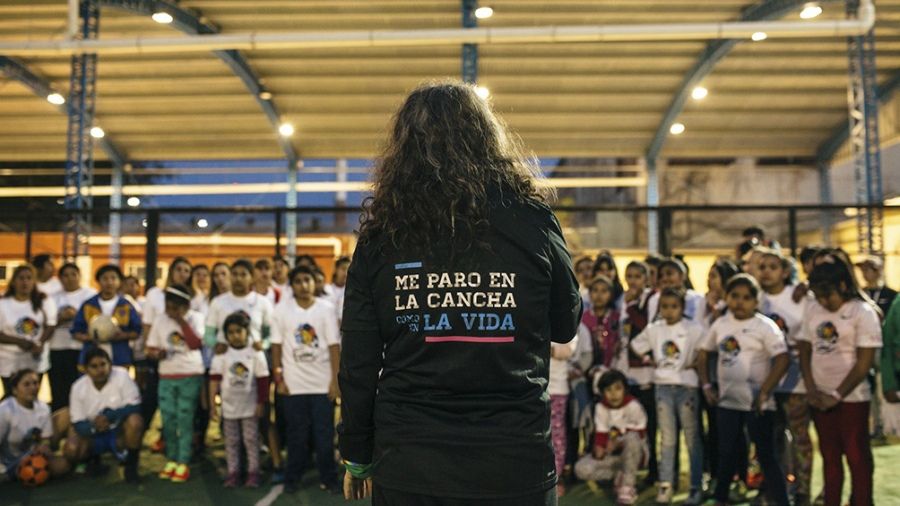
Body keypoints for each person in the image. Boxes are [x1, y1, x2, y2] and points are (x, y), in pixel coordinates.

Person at [337, 81, 582, 505]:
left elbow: (358, 362)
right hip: (514, 461)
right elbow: (565, 324)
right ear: (487, 139)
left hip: (410, 461)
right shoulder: (533, 221)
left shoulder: (381, 236)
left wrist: (357, 455)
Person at [698, 274, 790, 506]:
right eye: (735, 296)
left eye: (746, 298)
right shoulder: (720, 324)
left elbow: (782, 359)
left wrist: (766, 391)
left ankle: (780, 499)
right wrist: (707, 385)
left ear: (756, 301)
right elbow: (703, 353)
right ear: (727, 297)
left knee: (766, 454)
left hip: (758, 404)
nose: (740, 302)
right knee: (726, 452)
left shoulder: (765, 326)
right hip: (728, 402)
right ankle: (721, 497)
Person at [797, 257, 882, 506]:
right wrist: (812, 388)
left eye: (828, 295)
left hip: (852, 398)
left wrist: (836, 394)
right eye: (819, 295)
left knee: (857, 457)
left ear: (844, 286)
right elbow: (805, 349)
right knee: (830, 457)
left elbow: (863, 364)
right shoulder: (812, 308)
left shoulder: (862, 312)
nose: (823, 302)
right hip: (819, 397)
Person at [204, 259, 280, 480]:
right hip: (227, 364)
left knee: (260, 416)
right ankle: (235, 468)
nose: (238, 278)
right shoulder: (219, 302)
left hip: (254, 366)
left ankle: (262, 464)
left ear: (251, 277)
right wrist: (214, 344)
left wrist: (263, 345)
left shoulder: (263, 302)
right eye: (234, 274)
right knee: (231, 425)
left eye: (242, 274)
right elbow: (208, 334)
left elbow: (269, 334)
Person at [271, 265, 341, 494]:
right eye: (298, 281)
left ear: (315, 282)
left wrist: (335, 381)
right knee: (296, 437)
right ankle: (293, 478)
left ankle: (329, 478)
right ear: (291, 286)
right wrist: (279, 378)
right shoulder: (281, 310)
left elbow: (333, 347)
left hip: (322, 386)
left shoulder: (326, 309)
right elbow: (276, 347)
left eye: (307, 280)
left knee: (325, 436)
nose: (304, 285)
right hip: (294, 386)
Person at [630, 287, 704, 505]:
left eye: (674, 306)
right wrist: (650, 361)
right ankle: (666, 484)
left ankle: (695, 486)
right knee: (667, 439)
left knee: (692, 438)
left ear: (682, 307)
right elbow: (636, 347)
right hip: (662, 387)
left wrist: (696, 362)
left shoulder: (693, 328)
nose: (669, 311)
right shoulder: (654, 329)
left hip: (687, 387)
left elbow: (706, 350)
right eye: (665, 306)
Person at [758, 249, 812, 505]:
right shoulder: (754, 298)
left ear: (784, 271)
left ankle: (802, 490)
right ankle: (773, 488)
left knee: (800, 438)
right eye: (762, 266)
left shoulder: (798, 296)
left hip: (795, 380)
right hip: (764, 381)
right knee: (770, 440)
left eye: (772, 266)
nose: (766, 271)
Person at [145, 285, 205, 483]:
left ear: (185, 305)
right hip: (167, 375)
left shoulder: (196, 317)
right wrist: (156, 354)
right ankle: (171, 458)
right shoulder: (160, 319)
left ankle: (183, 461)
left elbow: (196, 344)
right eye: (168, 306)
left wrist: (181, 321)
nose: (169, 311)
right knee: (168, 419)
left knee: (185, 418)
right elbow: (150, 348)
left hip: (190, 374)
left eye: (174, 307)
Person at [64, 347, 143, 483]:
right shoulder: (78, 387)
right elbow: (77, 423)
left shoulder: (122, 376)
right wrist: (94, 426)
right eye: (94, 366)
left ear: (110, 365)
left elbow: (136, 405)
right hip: (92, 435)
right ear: (85, 369)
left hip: (118, 432)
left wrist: (110, 416)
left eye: (103, 364)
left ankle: (131, 464)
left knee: (135, 421)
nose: (100, 370)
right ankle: (90, 460)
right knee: (72, 449)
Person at [209, 312, 270, 488]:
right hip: (229, 409)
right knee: (231, 441)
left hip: (250, 407)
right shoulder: (221, 355)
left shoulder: (255, 354)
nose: (235, 335)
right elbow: (213, 382)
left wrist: (261, 403)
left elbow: (263, 380)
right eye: (231, 332)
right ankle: (233, 472)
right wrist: (213, 405)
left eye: (239, 331)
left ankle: (253, 472)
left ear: (247, 331)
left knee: (251, 440)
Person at [573, 369, 646, 505]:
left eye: (618, 388)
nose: (613, 394)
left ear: (625, 389)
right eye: (608, 390)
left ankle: (627, 486)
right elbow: (601, 434)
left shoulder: (633, 405)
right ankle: (619, 475)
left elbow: (639, 434)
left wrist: (617, 443)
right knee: (581, 469)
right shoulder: (601, 407)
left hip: (633, 455)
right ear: (602, 392)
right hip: (612, 456)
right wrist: (598, 450)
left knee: (632, 438)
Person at [0, 369, 69, 481]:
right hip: (5, 463)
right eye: (26, 384)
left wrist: (44, 446)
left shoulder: (44, 408)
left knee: (62, 466)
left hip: (30, 458)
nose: (33, 388)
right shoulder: (4, 411)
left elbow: (45, 439)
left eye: (35, 383)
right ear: (15, 390)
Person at [0, 265, 57, 395]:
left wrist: (39, 343)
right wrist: (19, 342)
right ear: (13, 282)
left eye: (29, 278)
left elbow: (50, 325)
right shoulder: (3, 304)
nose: (25, 282)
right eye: (21, 278)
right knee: (11, 396)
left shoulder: (44, 301)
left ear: (34, 281)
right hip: (9, 360)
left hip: (34, 359)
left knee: (32, 396)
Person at [71, 265, 142, 368]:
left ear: (120, 282)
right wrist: (89, 337)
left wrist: (122, 335)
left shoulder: (126, 305)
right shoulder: (88, 305)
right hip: (92, 356)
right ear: (98, 281)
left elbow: (137, 331)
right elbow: (75, 331)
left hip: (119, 356)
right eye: (105, 278)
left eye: (113, 278)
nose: (109, 282)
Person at [48, 263, 96, 412]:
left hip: (80, 348)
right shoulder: (53, 297)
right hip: (57, 347)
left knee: (79, 386)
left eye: (73, 274)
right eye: (65, 275)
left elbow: (96, 320)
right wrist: (61, 318)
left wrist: (77, 316)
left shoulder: (90, 295)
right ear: (60, 278)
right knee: (58, 388)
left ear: (79, 276)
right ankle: (59, 419)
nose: (70, 278)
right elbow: (47, 322)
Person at [549, 331, 577, 498]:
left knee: (557, 437)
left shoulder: (565, 325)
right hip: (534, 388)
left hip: (557, 390)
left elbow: (565, 351)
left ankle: (556, 477)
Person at [579, 276, 623, 375]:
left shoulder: (617, 317)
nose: (599, 295)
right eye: (595, 290)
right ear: (589, 294)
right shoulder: (583, 318)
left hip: (613, 368)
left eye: (604, 291)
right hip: (587, 370)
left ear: (611, 295)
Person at [647, 258, 705, 325]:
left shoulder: (697, 299)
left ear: (683, 276)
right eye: (661, 276)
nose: (664, 278)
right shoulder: (655, 299)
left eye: (669, 274)